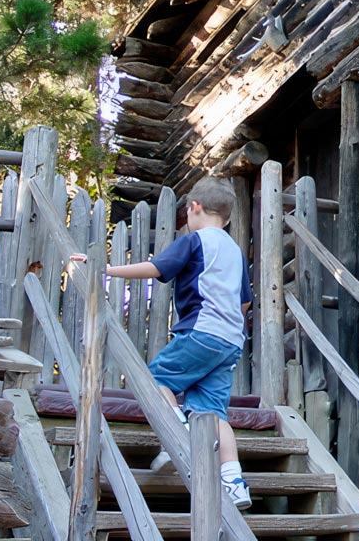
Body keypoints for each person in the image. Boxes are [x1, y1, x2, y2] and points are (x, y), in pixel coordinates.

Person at [104, 176, 254, 510]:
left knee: (153, 380)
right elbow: (245, 302)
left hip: (201, 332)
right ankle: (234, 481)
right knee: (212, 411)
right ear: (227, 217)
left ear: (194, 207)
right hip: (231, 340)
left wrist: (109, 269)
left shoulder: (195, 240)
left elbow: (157, 268)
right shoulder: (234, 250)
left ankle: (177, 436)